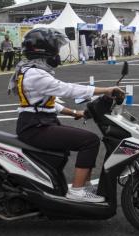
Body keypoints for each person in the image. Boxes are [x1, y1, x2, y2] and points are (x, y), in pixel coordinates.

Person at [9, 28, 125, 202]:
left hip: (39, 123)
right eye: (55, 48)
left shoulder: (29, 70)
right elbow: (67, 89)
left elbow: (43, 103)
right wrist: (105, 90)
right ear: (43, 49)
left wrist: (74, 113)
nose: (57, 53)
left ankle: (84, 186)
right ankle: (77, 191)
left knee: (79, 141)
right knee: (89, 141)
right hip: (36, 127)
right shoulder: (35, 73)